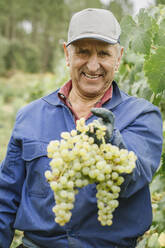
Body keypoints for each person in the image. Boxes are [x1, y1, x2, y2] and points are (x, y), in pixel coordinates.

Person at [0, 8, 163, 248]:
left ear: (119, 58)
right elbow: (5, 198)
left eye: (104, 53)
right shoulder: (30, 116)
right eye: (83, 52)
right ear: (67, 54)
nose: (93, 64)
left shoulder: (143, 115)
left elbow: (134, 175)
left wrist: (113, 143)